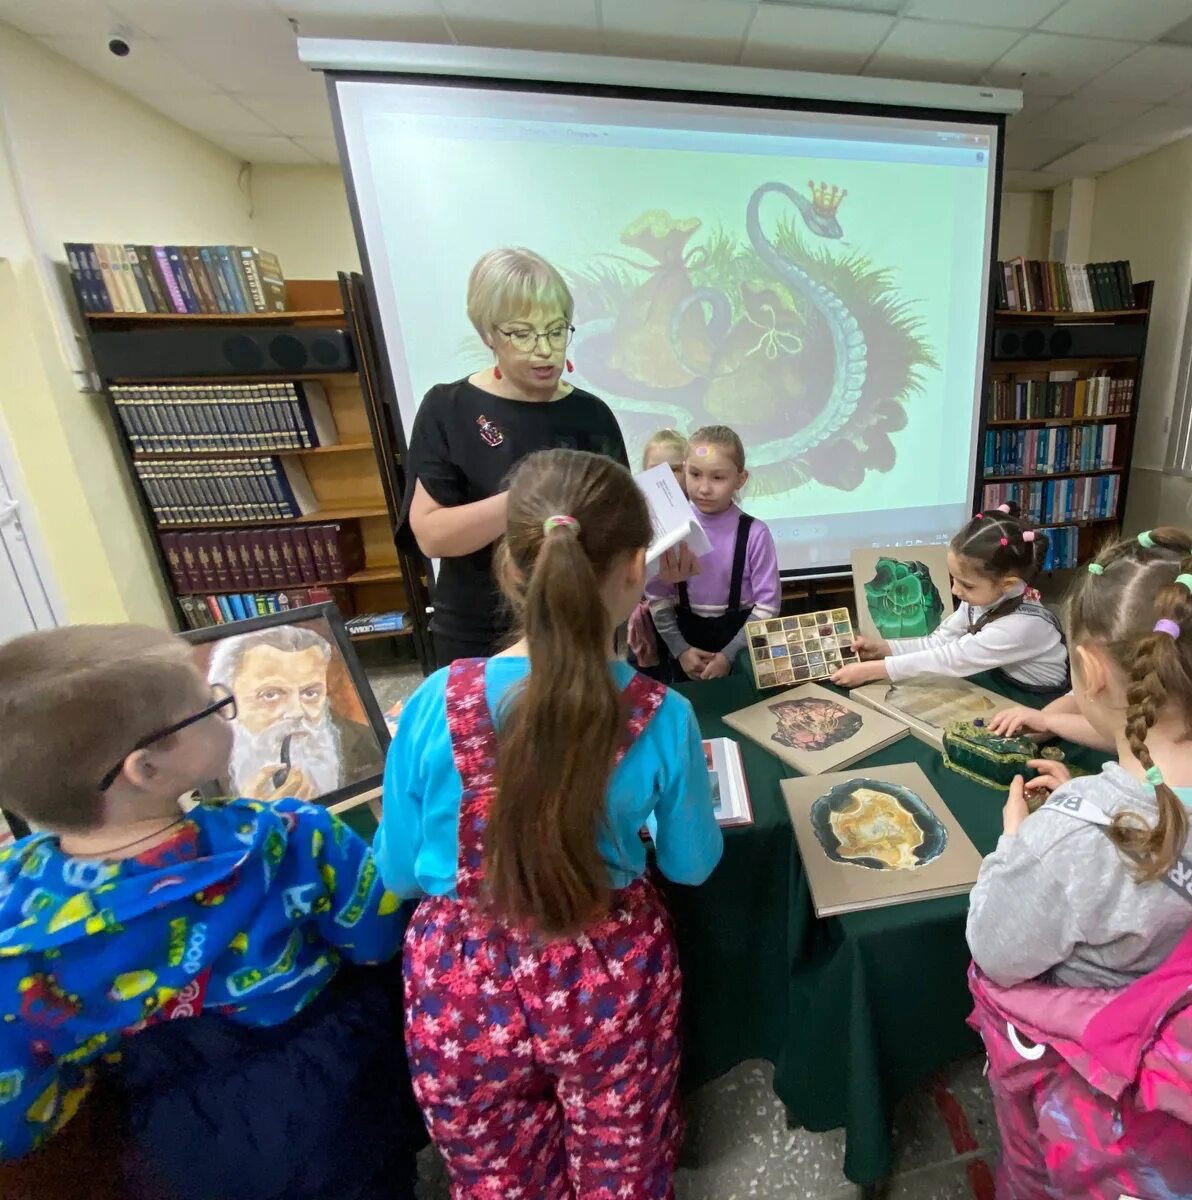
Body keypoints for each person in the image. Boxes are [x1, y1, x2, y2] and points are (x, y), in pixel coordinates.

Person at [377, 448, 723, 1197]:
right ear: (638, 569)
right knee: (621, 1164)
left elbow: (399, 873)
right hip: (608, 981)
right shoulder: (664, 717)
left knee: (497, 1178)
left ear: (511, 564)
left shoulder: (434, 701)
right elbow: (693, 865)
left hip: (460, 988)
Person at [0, 624, 418, 1199]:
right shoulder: (290, 836)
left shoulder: (15, 920)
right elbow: (377, 938)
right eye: (215, 709)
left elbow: (20, 1111)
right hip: (337, 1092)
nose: (228, 717)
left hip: (169, 1144)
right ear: (146, 769)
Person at [966, 528, 1192, 989]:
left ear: (1090, 671)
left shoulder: (1064, 839)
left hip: (1096, 1050)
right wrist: (1088, 811)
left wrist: (1017, 840)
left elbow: (996, 954)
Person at [402, 247, 629, 664]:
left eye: (556, 331)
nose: (543, 350)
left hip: (580, 630)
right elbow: (433, 535)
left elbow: (617, 528)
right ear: (487, 333)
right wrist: (531, 499)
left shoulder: (593, 415)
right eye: (522, 334)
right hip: (479, 636)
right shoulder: (448, 408)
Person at [988, 534, 1192, 750]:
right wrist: (1045, 719)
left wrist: (1051, 722)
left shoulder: (1189, 709)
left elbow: (1127, 733)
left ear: (1093, 671)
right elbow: (1086, 701)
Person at [832, 504, 1068, 694]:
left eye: (966, 584)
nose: (955, 590)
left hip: (1036, 697)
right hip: (1000, 675)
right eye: (953, 578)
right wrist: (883, 648)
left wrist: (874, 670)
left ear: (1008, 584)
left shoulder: (1021, 627)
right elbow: (938, 642)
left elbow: (950, 659)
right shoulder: (983, 598)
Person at [645, 425, 780, 682]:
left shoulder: (755, 533)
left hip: (740, 647)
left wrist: (728, 655)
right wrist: (681, 650)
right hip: (684, 647)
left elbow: (768, 604)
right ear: (684, 470)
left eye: (718, 478)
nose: (704, 488)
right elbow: (657, 597)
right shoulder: (669, 530)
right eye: (695, 474)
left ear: (741, 479)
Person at [206, 624, 383, 800]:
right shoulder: (202, 766)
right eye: (270, 695)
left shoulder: (367, 743)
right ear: (224, 702)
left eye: (310, 693)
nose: (296, 712)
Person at [629, 429, 695, 670]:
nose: (664, 477)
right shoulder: (636, 519)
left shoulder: (703, 513)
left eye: (675, 468)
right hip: (655, 624)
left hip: (697, 621)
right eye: (655, 469)